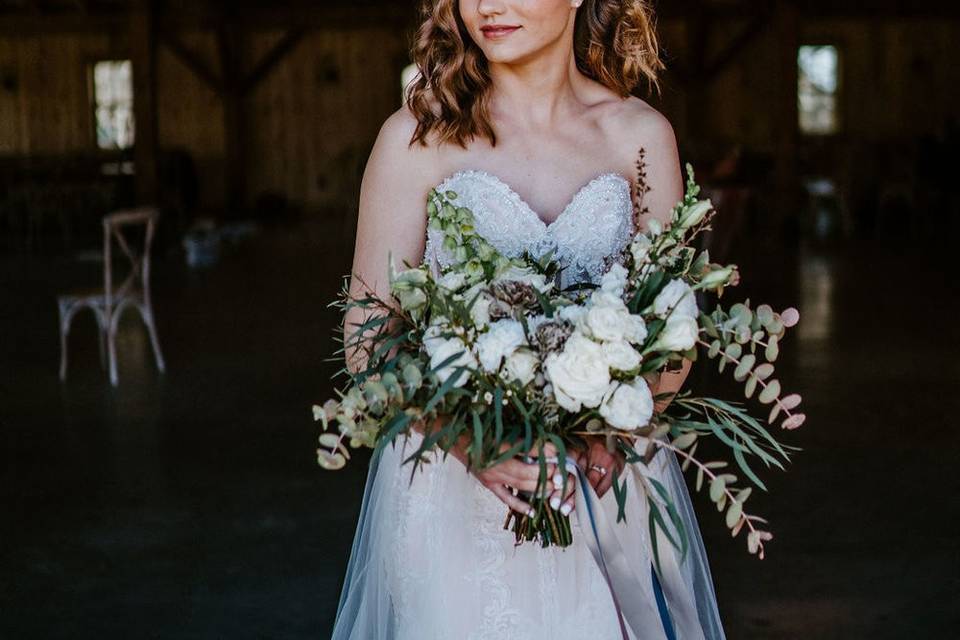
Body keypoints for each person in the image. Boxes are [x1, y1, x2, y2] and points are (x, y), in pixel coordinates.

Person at [332, 1, 725, 638]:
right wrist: (469, 439)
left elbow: (673, 333)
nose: (487, 6)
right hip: (456, 503)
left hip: (602, 489)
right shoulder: (416, 138)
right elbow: (368, 338)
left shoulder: (640, 136)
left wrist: (610, 430)